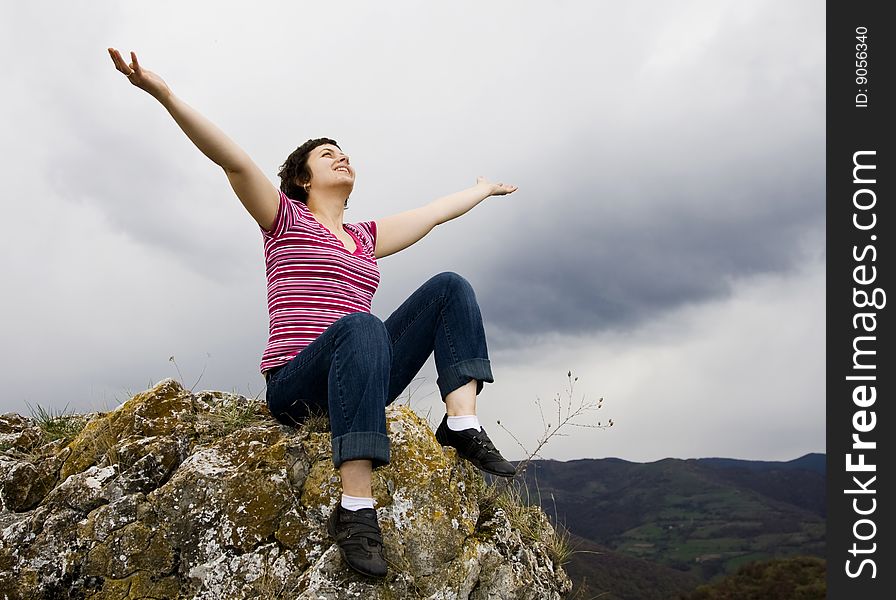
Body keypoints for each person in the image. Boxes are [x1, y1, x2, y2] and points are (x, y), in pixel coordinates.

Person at [108, 48, 518, 578]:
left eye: (345, 152)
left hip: (362, 377)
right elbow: (233, 161)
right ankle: (355, 509)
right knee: (363, 325)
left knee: (450, 287)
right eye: (328, 155)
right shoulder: (284, 219)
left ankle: (461, 424)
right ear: (303, 178)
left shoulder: (366, 237)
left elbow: (434, 215)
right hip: (298, 381)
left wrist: (481, 190)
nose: (342, 157)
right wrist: (165, 94)